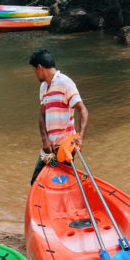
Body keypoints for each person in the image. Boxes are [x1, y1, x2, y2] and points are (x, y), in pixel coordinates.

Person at [29, 48, 88, 185]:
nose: (35, 74)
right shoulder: (43, 87)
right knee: (36, 182)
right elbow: (42, 115)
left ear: (40, 68)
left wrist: (81, 136)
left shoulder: (65, 84)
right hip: (49, 148)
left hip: (64, 148)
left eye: (34, 70)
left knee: (60, 186)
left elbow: (83, 111)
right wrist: (45, 139)